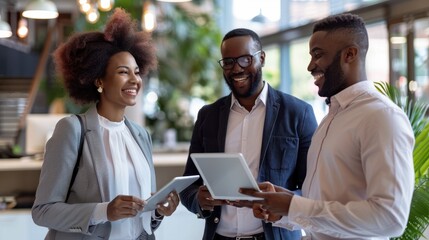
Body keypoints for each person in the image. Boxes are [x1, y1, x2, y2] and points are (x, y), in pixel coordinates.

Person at [240, 13, 415, 239]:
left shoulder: (382, 117)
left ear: (350, 54)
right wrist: (283, 210)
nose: (310, 65)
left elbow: (390, 218)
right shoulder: (332, 116)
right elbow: (327, 204)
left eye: (318, 55)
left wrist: (294, 206)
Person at [31, 8, 180, 240]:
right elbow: (43, 211)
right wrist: (104, 211)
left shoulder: (141, 135)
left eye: (137, 72)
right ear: (99, 80)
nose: (134, 80)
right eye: (123, 72)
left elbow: (142, 216)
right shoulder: (72, 130)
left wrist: (159, 211)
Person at [179, 28, 318, 240]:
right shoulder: (208, 115)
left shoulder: (298, 113)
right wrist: (199, 199)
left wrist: (280, 203)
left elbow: (314, 191)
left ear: (261, 58)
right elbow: (188, 184)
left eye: (245, 59)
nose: (236, 69)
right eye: (228, 62)